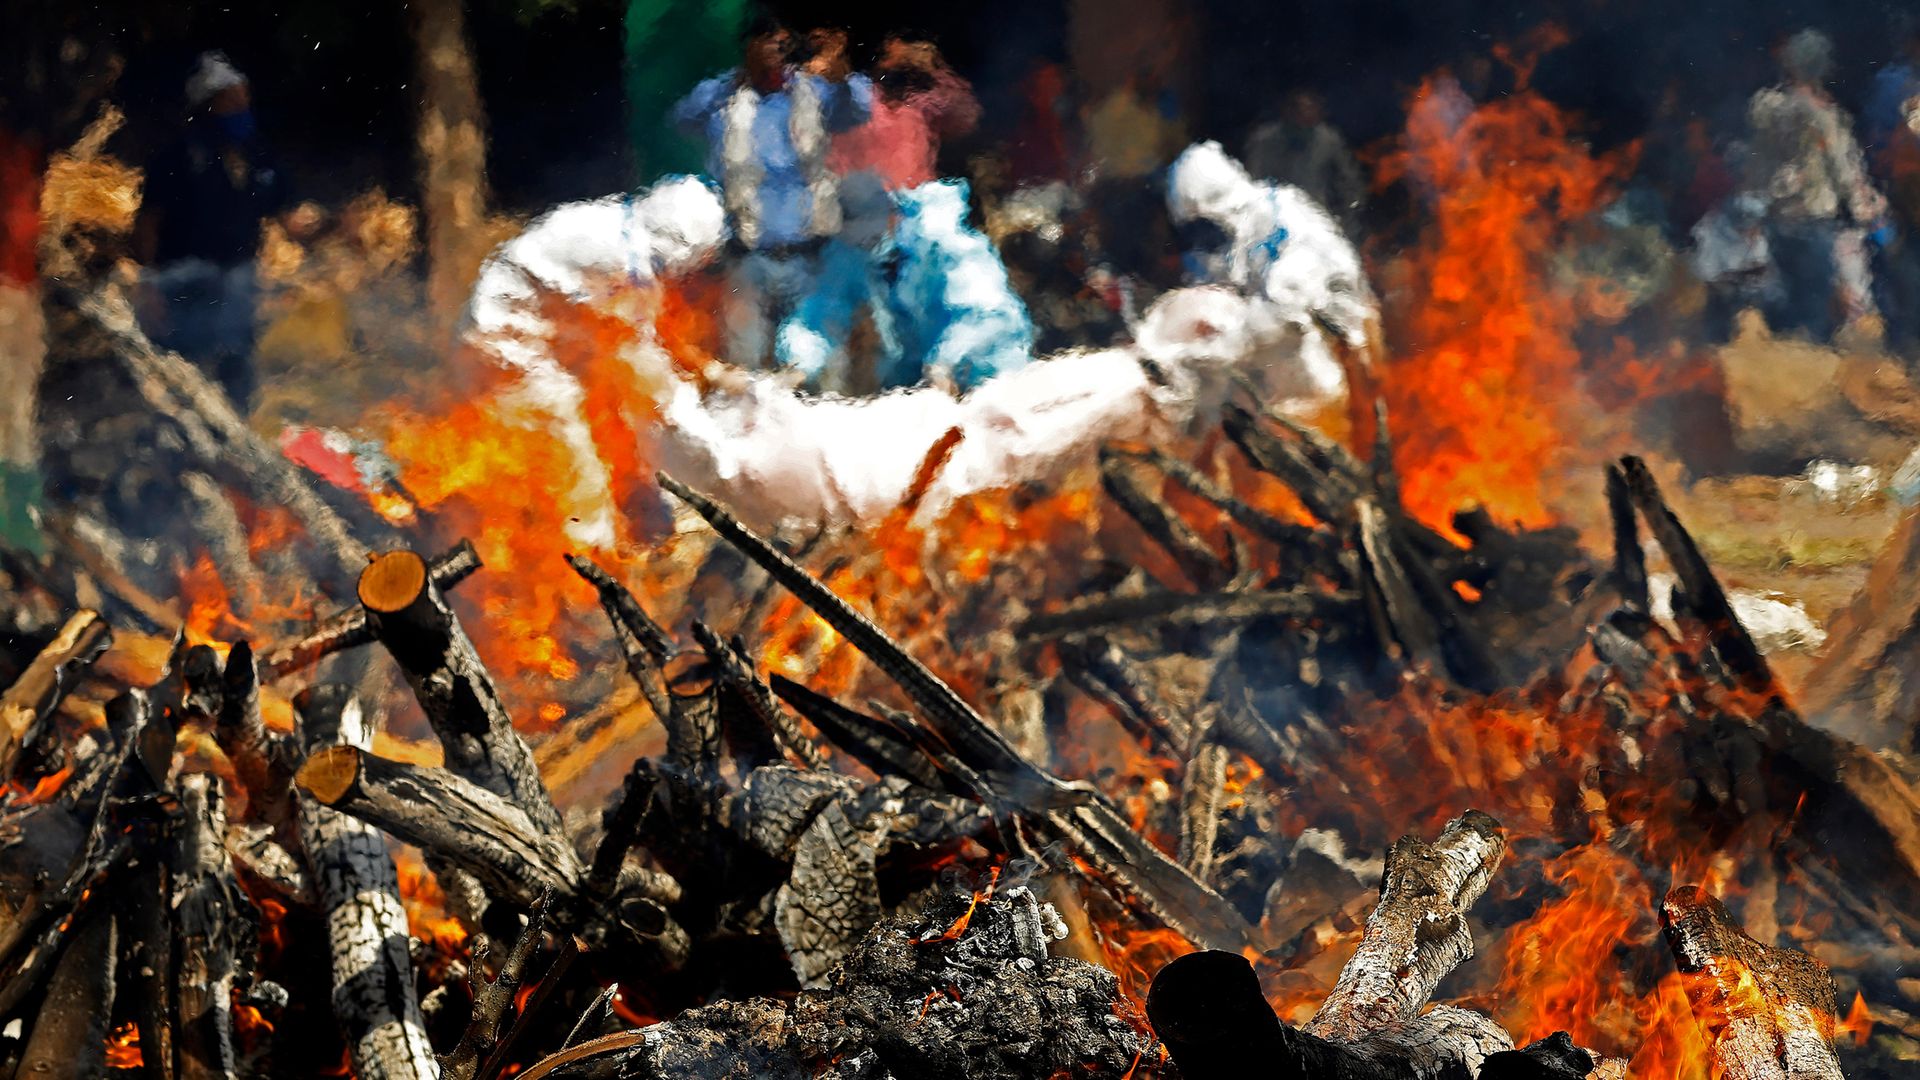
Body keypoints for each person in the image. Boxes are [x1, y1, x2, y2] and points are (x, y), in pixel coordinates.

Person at [460, 175, 730, 546]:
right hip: (508, 347)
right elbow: (639, 360)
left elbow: (641, 339)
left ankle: (616, 533)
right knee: (574, 457)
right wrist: (709, 441)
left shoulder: (611, 224)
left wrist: (708, 372)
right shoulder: (620, 257)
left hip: (536, 338)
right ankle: (591, 560)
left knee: (606, 420)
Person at [671, 20, 873, 368]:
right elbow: (682, 118)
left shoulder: (813, 92)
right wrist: (731, 82)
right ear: (749, 46)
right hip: (746, 256)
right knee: (745, 364)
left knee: (814, 366)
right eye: (766, 41)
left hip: (809, 256)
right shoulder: (727, 97)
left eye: (783, 43)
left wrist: (839, 68)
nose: (776, 50)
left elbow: (859, 109)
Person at [1163, 141, 1375, 413]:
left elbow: (1284, 315)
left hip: (1335, 352)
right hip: (1274, 355)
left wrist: (1214, 349)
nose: (1199, 239)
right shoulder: (1223, 241)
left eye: (1202, 225)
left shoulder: (1285, 220)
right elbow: (1211, 287)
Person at [133, 52, 291, 412]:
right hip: (186, 279)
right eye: (231, 100)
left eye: (244, 98)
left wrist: (336, 227)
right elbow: (148, 224)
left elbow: (288, 218)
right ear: (209, 106)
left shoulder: (258, 156)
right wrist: (148, 285)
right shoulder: (177, 158)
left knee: (236, 362)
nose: (242, 107)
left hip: (238, 278)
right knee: (183, 372)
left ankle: (238, 440)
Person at [775, 174, 1034, 394]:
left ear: (893, 216)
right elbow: (820, 315)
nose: (864, 243)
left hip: (989, 376)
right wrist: (799, 363)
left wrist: (947, 360)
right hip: (920, 385)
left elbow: (987, 316)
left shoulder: (946, 241)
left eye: (872, 232)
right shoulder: (851, 252)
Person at [1736, 28, 1889, 342]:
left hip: (1776, 224)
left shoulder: (1766, 108)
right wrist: (1868, 212)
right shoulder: (1825, 117)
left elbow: (1755, 171)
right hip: (1815, 225)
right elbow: (1847, 174)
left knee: (1787, 308)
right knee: (1817, 312)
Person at [828, 34, 980, 192]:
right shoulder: (858, 98)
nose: (901, 64)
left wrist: (934, 69)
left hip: (913, 196)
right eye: (889, 56)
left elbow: (966, 119)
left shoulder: (924, 103)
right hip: (866, 198)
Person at [1243, 90, 1366, 235]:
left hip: (1317, 218)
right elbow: (1251, 180)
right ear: (1286, 110)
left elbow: (1348, 181)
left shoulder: (1329, 140)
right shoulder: (1263, 140)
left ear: (1320, 111)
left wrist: (1349, 214)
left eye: (1310, 108)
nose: (1304, 113)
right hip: (1275, 218)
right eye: (1298, 108)